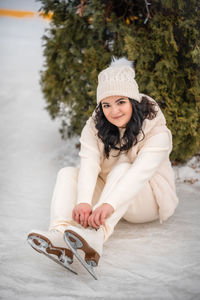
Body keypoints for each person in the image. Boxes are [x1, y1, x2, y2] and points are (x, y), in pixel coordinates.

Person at [27, 57, 179, 279]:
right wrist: (84, 202)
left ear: (133, 101)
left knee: (124, 166)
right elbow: (88, 162)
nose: (113, 111)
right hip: (109, 195)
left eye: (120, 102)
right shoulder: (95, 126)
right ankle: (60, 235)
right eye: (106, 105)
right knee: (68, 173)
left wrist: (108, 204)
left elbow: (139, 174)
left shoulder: (157, 131)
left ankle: (95, 238)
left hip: (147, 200)